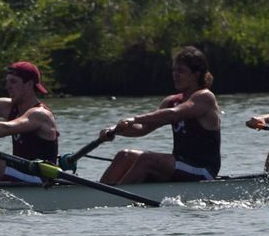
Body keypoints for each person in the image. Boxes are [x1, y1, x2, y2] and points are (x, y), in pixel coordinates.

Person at [95, 46, 224, 183]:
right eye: (174, 70)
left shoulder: (205, 97)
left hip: (202, 169)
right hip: (180, 164)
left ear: (196, 74)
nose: (175, 75)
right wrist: (114, 130)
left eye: (181, 71)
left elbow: (174, 114)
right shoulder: (171, 101)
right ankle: (96, 196)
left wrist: (135, 118)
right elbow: (143, 128)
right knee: (124, 155)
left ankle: (115, 199)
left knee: (146, 159)